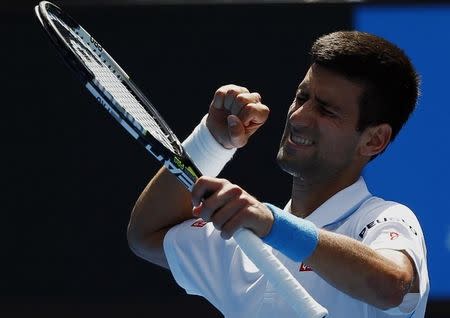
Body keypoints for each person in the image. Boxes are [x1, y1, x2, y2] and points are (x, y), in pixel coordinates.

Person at [127, 31, 429, 317]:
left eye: (326, 111)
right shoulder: (244, 239)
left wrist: (273, 225)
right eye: (301, 97)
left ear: (374, 140)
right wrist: (211, 143)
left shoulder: (384, 218)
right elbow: (147, 234)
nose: (298, 116)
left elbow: (393, 287)